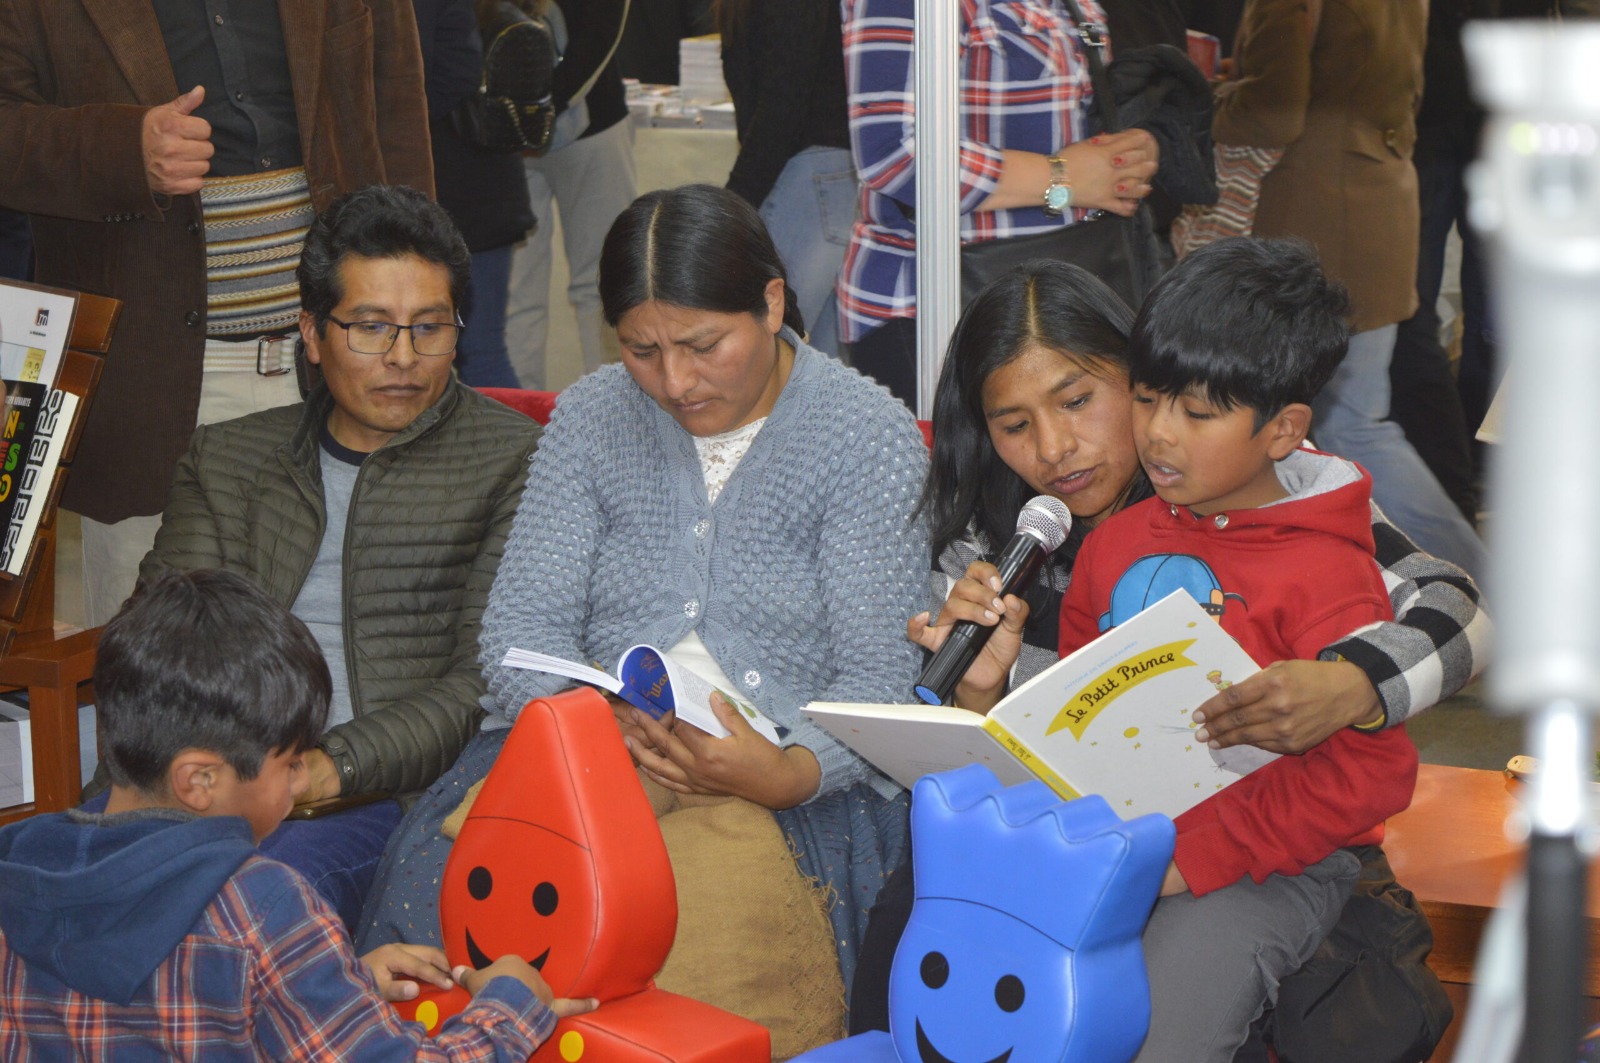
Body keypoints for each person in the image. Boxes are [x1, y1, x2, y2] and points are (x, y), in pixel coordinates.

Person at [850, 257, 1486, 1055]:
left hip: (1257, 852)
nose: (1054, 447)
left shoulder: (1293, 505)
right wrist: (983, 695)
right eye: (1014, 425)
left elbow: (1449, 606)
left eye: (1080, 400)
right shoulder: (1033, 536)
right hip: (1112, 834)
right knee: (937, 944)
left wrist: (1355, 681)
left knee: (1160, 1015)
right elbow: (1076, 741)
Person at [359, 184, 929, 1012]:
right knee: (448, 930)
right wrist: (590, 726)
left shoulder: (861, 433)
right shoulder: (593, 415)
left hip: (788, 787)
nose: (675, 380)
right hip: (576, 754)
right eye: (641, 350)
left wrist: (789, 771)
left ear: (772, 304)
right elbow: (518, 633)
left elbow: (879, 684)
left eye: (703, 345)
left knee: (692, 963)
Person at [123, 184, 541, 932]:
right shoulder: (230, 458)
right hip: (212, 781)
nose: (404, 358)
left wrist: (325, 767)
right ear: (311, 333)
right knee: (46, 884)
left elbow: (484, 683)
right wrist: (227, 778)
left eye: (430, 328)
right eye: (372, 327)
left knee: (242, 910)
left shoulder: (514, 459)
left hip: (382, 796)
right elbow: (161, 648)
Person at [1051, 238, 1415, 1061]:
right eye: (1146, 400)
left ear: (1284, 429)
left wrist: (1192, 861)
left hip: (1273, 865)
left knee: (1159, 1034)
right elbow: (1077, 705)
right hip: (1123, 844)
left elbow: (1371, 777)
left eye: (1198, 413)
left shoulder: (1331, 575)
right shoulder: (1114, 544)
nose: (1159, 436)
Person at [0, 568, 593, 1059]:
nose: (304, 780)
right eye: (289, 763)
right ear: (200, 780)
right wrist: (509, 1005)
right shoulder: (262, 907)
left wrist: (339, 980)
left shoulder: (17, 864)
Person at [0, 1, 434, 628]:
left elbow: (396, 109)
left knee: (351, 653)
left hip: (342, 372)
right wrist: (124, 149)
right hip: (157, 392)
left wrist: (418, 318)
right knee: (159, 673)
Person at [1212, 0, 1487, 583]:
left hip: (1313, 219)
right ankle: (1473, 583)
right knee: (1358, 419)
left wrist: (1207, 104)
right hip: (1377, 200)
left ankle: (1474, 585)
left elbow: (1274, 113)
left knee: (1336, 424)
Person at [840, 0, 1160, 405]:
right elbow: (893, 152)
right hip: (937, 305)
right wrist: (1064, 177)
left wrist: (1124, 157)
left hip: (1059, 289)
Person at [504, 0, 637, 388]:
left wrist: (537, 109)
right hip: (515, 137)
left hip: (588, 128)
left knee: (602, 282)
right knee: (519, 291)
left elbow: (599, 37)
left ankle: (611, 417)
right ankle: (517, 421)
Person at [721, 0, 856, 356]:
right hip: (820, 176)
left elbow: (784, 101)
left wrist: (734, 202)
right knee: (816, 361)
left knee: (764, 352)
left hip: (807, 175)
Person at [413, 0, 537, 388]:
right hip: (457, 195)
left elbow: (456, 73)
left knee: (480, 351)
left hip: (474, 198)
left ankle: (509, 451)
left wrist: (388, 113)